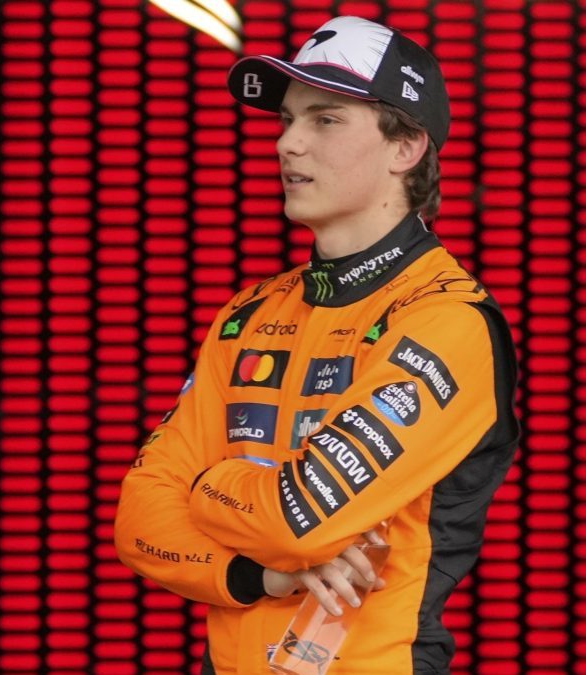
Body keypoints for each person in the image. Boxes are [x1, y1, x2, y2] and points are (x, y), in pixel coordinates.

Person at [114, 16, 519, 674]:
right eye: (286, 120)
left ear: (406, 147)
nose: (288, 143)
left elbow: (296, 522)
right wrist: (261, 576)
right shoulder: (248, 313)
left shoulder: (446, 319)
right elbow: (138, 521)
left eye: (325, 120)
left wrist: (206, 484)